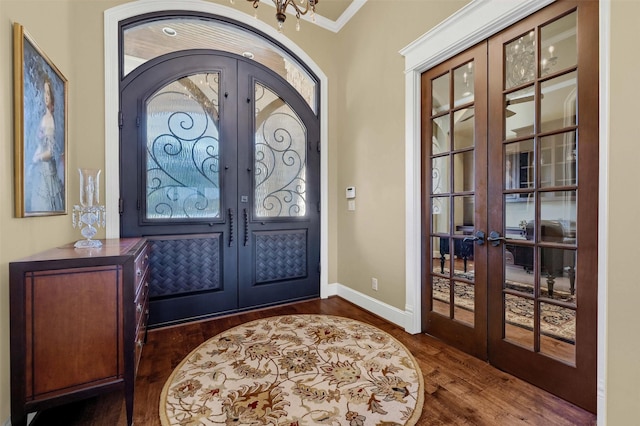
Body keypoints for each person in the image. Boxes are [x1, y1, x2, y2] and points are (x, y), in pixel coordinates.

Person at [29, 75, 64, 212]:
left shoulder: (49, 119)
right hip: (40, 171)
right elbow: (40, 145)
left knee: (42, 205)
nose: (46, 96)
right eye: (44, 92)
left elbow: (50, 152)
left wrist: (36, 158)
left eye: (48, 93)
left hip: (46, 173)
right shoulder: (43, 117)